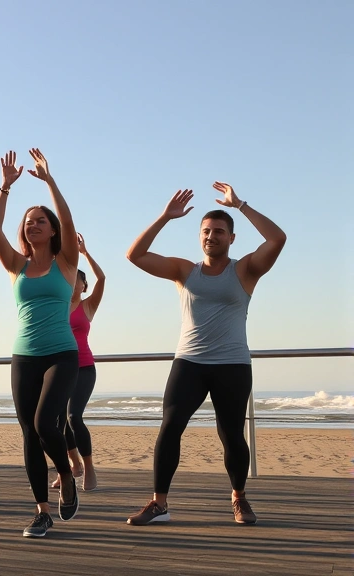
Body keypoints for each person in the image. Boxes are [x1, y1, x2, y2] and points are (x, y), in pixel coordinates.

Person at [125, 183, 285, 526]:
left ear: (232, 238)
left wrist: (240, 204)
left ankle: (239, 497)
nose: (211, 236)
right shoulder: (185, 271)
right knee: (170, 427)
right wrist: (165, 217)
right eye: (206, 231)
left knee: (231, 434)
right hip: (189, 363)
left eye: (219, 232)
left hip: (232, 364)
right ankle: (159, 504)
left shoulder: (245, 270)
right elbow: (134, 255)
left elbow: (277, 239)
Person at [0, 149, 80, 537]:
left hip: (62, 353)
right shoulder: (17, 265)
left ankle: (66, 473)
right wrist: (5, 188)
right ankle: (42, 510)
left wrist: (49, 181)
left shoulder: (67, 261)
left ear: (52, 229)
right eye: (29, 222)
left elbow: (69, 220)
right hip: (24, 355)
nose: (34, 225)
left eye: (41, 221)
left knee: (45, 422)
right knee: (29, 432)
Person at [52, 233, 105, 492]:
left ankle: (89, 468)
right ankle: (72, 467)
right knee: (56, 422)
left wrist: (84, 254)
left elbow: (102, 279)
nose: (73, 282)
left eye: (78, 279)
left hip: (84, 367)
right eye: (70, 277)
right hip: (60, 367)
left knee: (73, 416)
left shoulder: (88, 305)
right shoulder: (56, 305)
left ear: (83, 286)